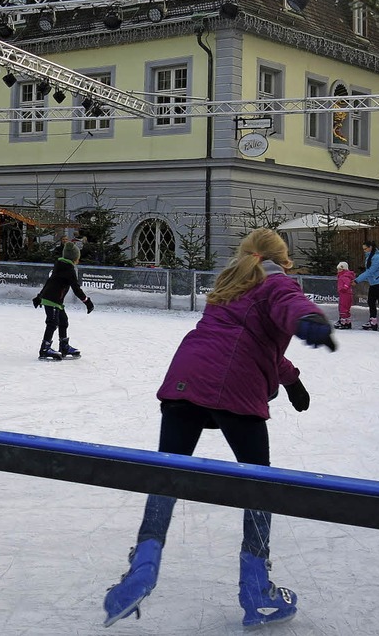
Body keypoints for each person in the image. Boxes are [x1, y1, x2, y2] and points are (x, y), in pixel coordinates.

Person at [103, 229, 336, 629]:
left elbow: (246, 338)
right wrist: (309, 318)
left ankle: (142, 565)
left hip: (186, 377)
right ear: (282, 258)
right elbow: (288, 303)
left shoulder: (233, 281)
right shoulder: (275, 280)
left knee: (168, 475)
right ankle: (257, 587)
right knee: (259, 484)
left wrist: (291, 379)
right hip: (235, 386)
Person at [32, 241, 94, 360]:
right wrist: (87, 302)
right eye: (77, 258)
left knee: (63, 321)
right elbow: (76, 289)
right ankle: (44, 349)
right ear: (74, 258)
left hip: (55, 300)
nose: (78, 261)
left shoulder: (60, 265)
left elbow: (50, 282)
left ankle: (64, 346)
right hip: (52, 300)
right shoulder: (69, 269)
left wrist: (40, 296)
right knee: (52, 323)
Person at [353, 240, 379, 332]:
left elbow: (370, 272)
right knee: (371, 301)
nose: (364, 250)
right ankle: (373, 321)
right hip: (374, 283)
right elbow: (369, 271)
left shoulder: (377, 258)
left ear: (370, 247)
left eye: (365, 248)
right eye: (363, 249)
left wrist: (357, 280)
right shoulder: (369, 257)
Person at [334, 261, 356, 329]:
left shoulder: (344, 276)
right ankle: (347, 322)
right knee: (345, 308)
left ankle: (343, 322)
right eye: (338, 269)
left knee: (343, 307)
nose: (338, 271)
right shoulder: (343, 276)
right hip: (344, 294)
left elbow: (347, 282)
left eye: (340, 269)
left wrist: (344, 288)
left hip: (345, 294)